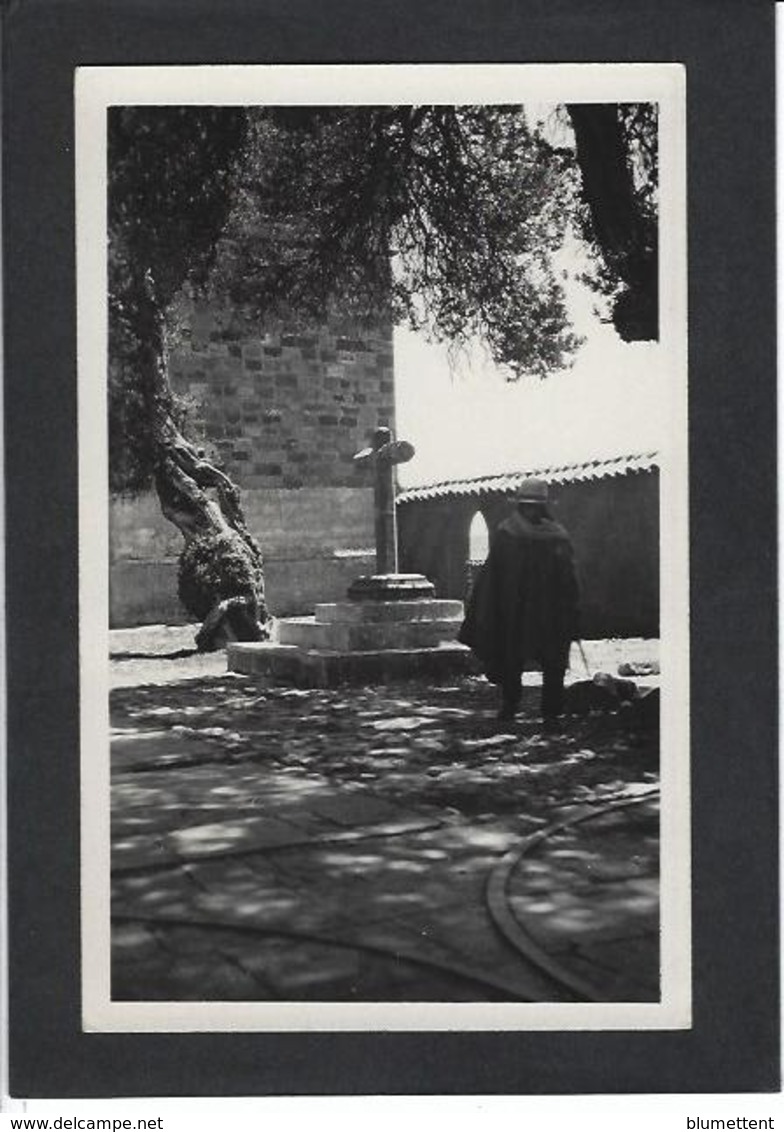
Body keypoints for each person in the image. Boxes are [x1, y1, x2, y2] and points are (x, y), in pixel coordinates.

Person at [458, 478, 580, 723]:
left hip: (522, 611)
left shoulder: (511, 533)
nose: (531, 511)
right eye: (528, 506)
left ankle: (541, 710)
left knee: (539, 659)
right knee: (526, 659)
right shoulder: (553, 536)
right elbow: (569, 579)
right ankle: (521, 706)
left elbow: (493, 576)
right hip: (539, 611)